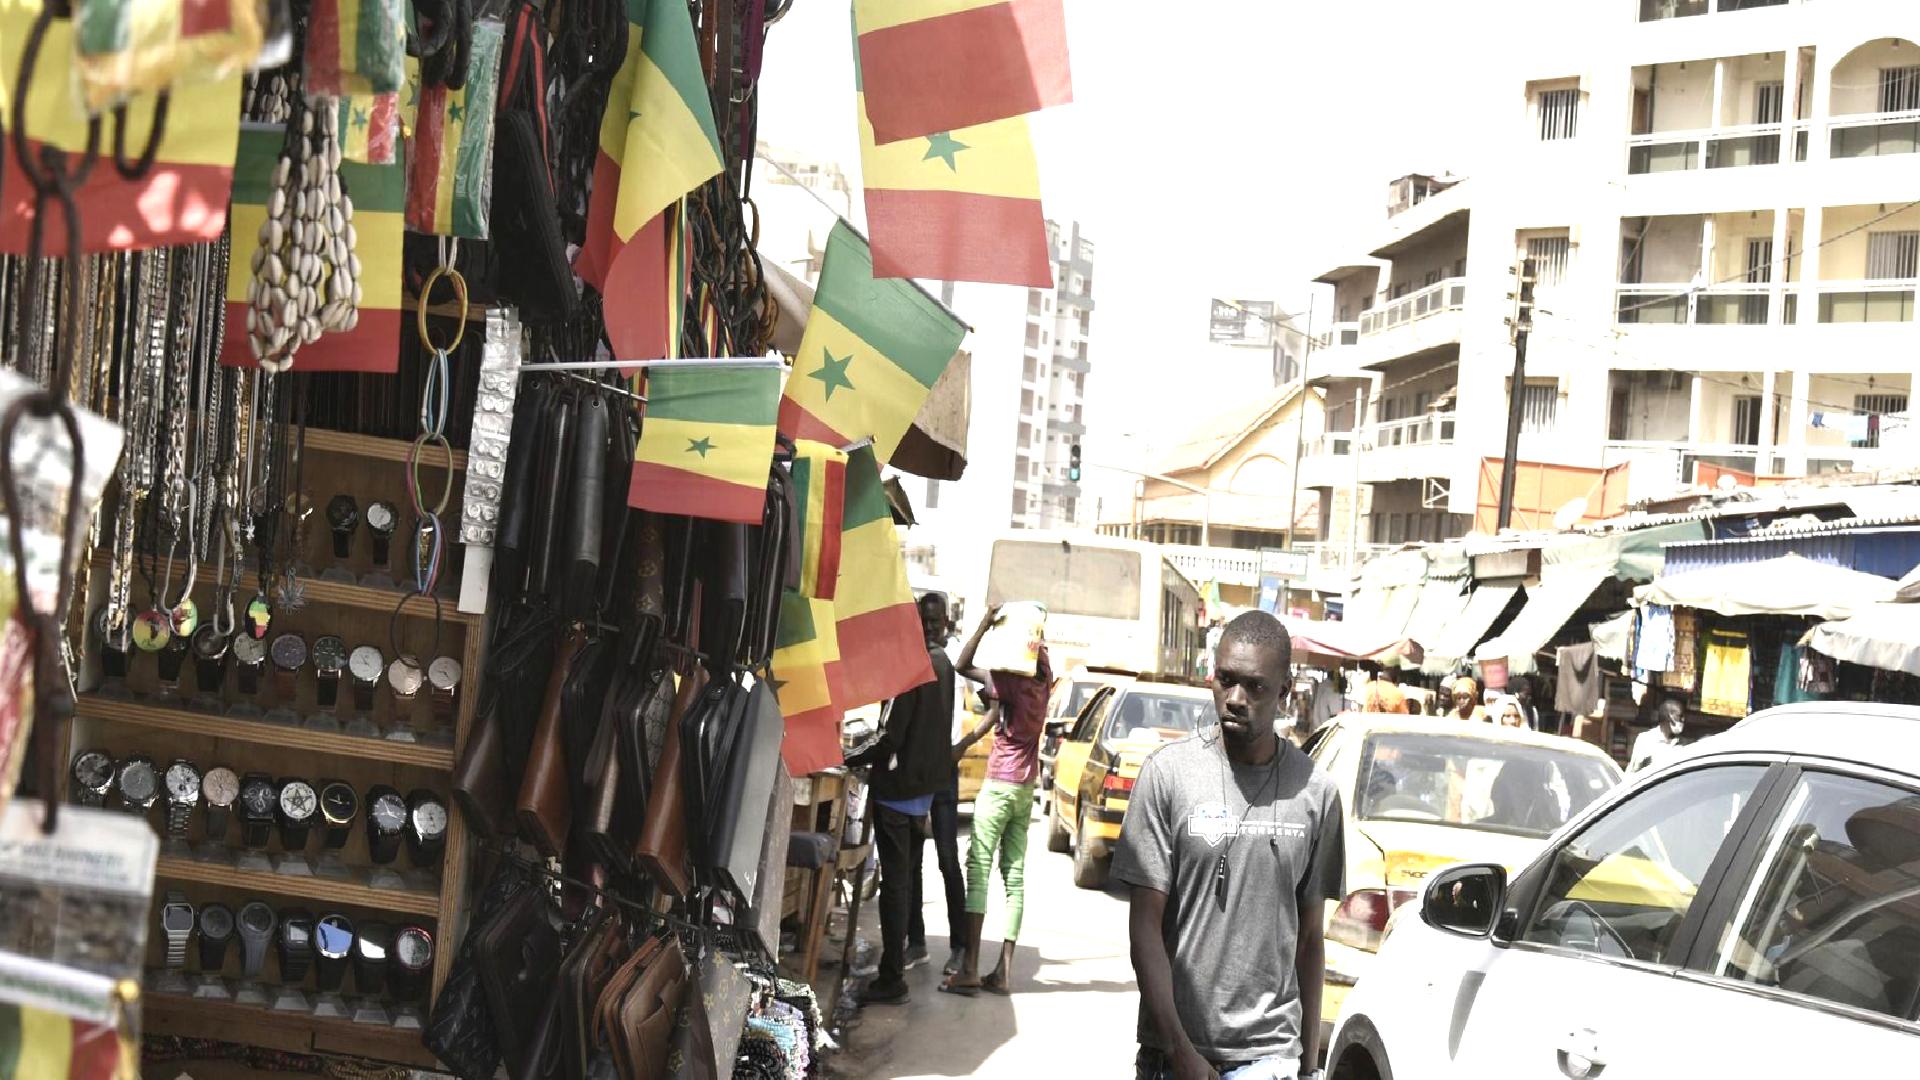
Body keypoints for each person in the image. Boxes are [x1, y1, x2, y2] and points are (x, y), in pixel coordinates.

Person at [1115, 611, 1343, 1080]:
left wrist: (1308, 1068)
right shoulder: (1167, 775)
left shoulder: (1316, 793)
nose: (1236, 699)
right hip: (1172, 1056)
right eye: (1226, 680)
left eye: (1255, 687)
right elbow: (1145, 928)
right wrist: (1180, 1051)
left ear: (1284, 691)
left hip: (1269, 1056)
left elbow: (1309, 940)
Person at [847, 594, 958, 1005]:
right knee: (905, 880)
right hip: (922, 792)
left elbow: (890, 735)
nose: (927, 628)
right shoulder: (943, 664)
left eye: (932, 622)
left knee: (895, 885)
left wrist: (848, 756)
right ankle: (902, 958)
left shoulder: (914, 664)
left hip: (899, 793)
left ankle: (892, 977)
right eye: (923, 621)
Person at [943, 606, 1053, 996]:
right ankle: (1003, 973)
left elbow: (961, 665)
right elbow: (996, 712)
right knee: (1014, 877)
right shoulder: (1043, 678)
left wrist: (986, 624)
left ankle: (970, 968)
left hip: (999, 783)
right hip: (1025, 787)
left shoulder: (1008, 680)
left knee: (979, 868)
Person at [1629, 698, 1689, 773]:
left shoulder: (1683, 743)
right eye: (1680, 716)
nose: (1683, 720)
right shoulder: (1645, 740)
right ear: (1668, 717)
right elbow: (1634, 771)